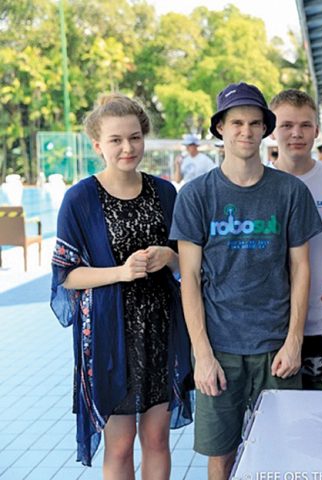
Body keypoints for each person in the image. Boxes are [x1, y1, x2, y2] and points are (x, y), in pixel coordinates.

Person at [170, 82, 322, 479]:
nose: (246, 131)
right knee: (221, 455)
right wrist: (202, 355)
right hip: (220, 348)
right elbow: (189, 278)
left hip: (275, 347)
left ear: (265, 129)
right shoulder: (196, 195)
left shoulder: (290, 192)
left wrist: (294, 341)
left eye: (255, 123)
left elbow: (301, 269)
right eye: (236, 122)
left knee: (282, 452)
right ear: (220, 128)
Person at [50, 93, 193, 476]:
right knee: (120, 444)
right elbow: (66, 275)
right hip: (108, 338)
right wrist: (120, 272)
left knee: (157, 439)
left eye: (135, 137)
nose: (127, 148)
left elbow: (188, 263)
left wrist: (169, 257)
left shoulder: (165, 192)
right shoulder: (80, 199)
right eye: (115, 140)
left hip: (161, 332)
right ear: (97, 145)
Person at [270, 89, 322, 390]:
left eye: (305, 125)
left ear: (317, 130)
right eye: (287, 125)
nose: (296, 133)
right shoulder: (257, 183)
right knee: (275, 415)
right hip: (272, 329)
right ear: (271, 131)